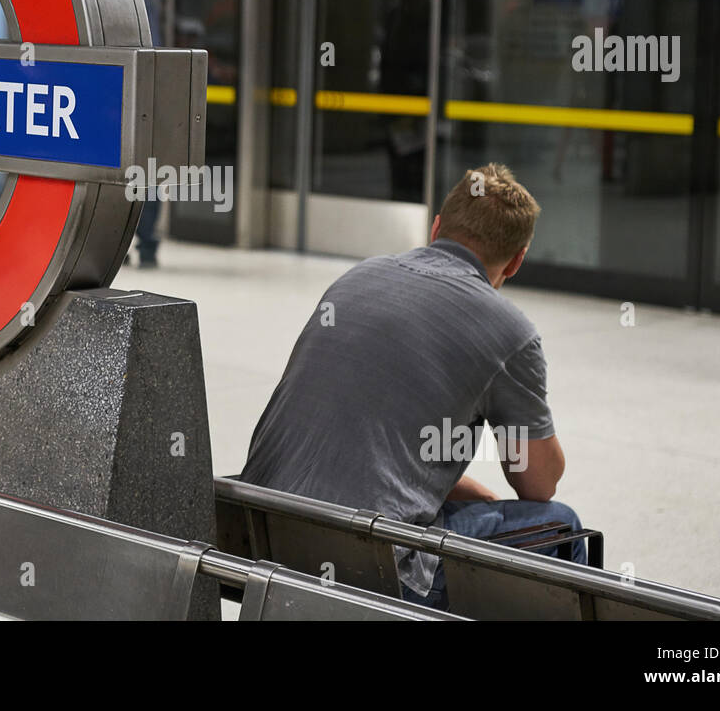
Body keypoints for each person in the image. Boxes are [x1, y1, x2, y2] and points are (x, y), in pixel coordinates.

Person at [240, 163, 583, 610]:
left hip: (262, 535)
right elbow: (538, 484)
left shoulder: (358, 278)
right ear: (516, 261)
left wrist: (460, 487)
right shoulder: (509, 331)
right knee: (562, 528)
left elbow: (359, 434)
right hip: (373, 565)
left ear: (436, 226)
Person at [131, 0, 167, 268]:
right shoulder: (131, 5)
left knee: (151, 174)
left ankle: (147, 242)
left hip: (151, 101)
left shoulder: (156, 5)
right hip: (130, 103)